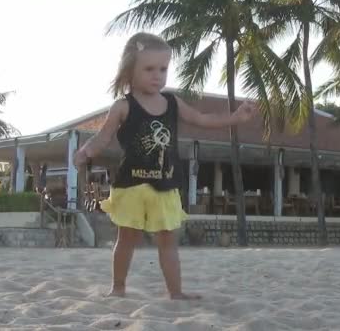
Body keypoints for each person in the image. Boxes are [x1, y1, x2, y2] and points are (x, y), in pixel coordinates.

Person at [73, 32, 256, 300]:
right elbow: (103, 137)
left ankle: (176, 291)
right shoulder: (123, 107)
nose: (157, 75)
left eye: (163, 68)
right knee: (127, 238)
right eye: (149, 69)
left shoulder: (171, 102)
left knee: (168, 240)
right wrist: (86, 151)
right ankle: (118, 287)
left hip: (166, 184)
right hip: (131, 186)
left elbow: (202, 119)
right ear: (129, 70)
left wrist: (235, 118)